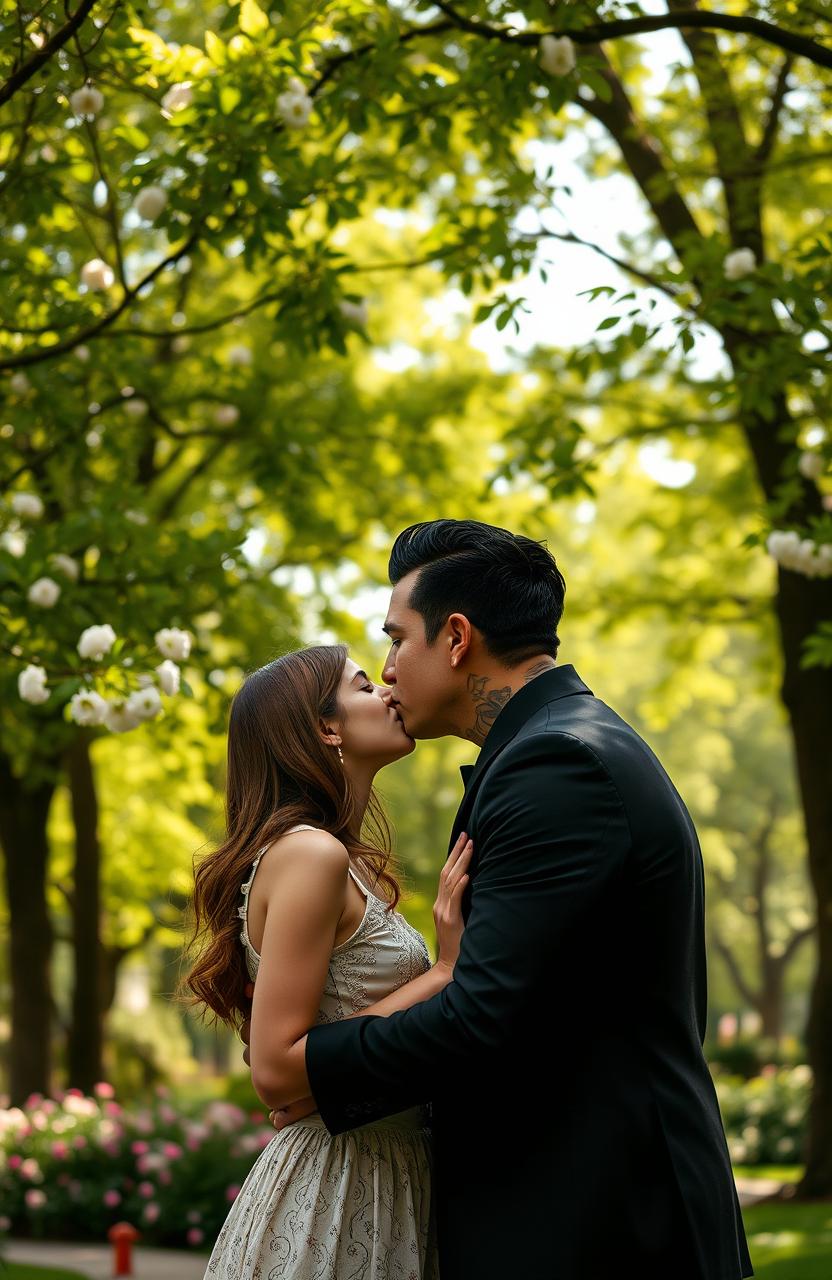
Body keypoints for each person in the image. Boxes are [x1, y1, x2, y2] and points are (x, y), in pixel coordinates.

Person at [252, 518, 754, 1280]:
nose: (387, 669)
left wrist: (314, 1077)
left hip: (599, 1221)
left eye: (396, 639)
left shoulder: (556, 764)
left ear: (456, 639)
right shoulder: (554, 746)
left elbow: (482, 1012)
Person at [182, 643, 473, 1277]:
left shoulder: (335, 857)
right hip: (333, 1189)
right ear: (326, 727)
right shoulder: (311, 854)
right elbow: (277, 1071)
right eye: (366, 686)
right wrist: (444, 976)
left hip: (378, 1170)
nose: (391, 689)